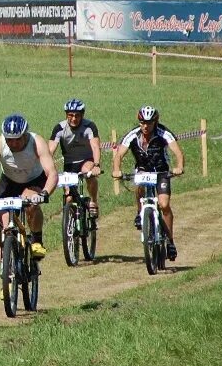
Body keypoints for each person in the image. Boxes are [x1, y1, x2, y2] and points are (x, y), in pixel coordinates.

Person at [112, 105, 185, 261]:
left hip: (161, 172)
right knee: (138, 183)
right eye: (142, 122)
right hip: (143, 170)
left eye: (149, 123)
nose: (145, 126)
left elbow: (177, 152)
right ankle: (140, 213)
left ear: (155, 122)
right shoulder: (133, 135)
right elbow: (118, 154)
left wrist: (179, 167)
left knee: (164, 205)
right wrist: (116, 170)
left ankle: (170, 241)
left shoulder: (163, 133)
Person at [0, 114, 58, 261]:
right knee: (4, 227)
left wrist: (45, 193)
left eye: (17, 139)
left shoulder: (36, 142)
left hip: (34, 181)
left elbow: (52, 173)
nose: (13, 143)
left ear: (25, 134)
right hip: (9, 182)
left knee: (31, 205)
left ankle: (37, 239)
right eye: (9, 140)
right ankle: (6, 270)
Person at [48, 99, 102, 217]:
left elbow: (95, 146)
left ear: (82, 115)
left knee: (88, 172)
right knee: (69, 197)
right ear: (66, 115)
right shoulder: (60, 128)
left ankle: (93, 201)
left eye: (77, 116)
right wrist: (46, 168)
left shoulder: (89, 126)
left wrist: (97, 165)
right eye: (70, 115)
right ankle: (70, 226)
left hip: (86, 160)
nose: (73, 119)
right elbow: (50, 150)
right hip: (69, 164)